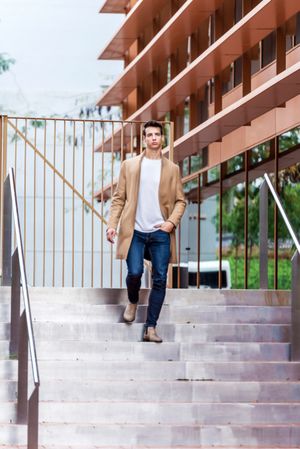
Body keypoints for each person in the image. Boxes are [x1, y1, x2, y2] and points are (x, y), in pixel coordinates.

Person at [106, 120, 186, 343]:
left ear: (162, 139)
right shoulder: (129, 165)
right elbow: (119, 198)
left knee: (160, 279)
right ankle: (132, 300)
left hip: (160, 232)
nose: (153, 138)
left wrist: (170, 222)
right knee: (134, 272)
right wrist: (112, 224)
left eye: (157, 134)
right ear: (143, 139)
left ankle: (151, 327)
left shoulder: (172, 169)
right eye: (149, 134)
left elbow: (181, 200)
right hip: (135, 231)